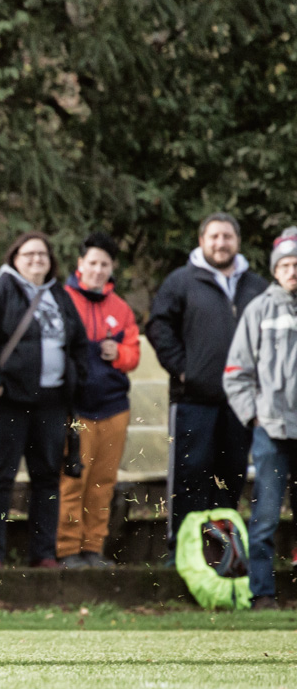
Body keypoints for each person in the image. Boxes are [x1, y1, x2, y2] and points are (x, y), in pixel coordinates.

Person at [148, 212, 270, 538]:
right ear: (202, 241)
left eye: (227, 236)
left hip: (240, 404)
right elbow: (159, 328)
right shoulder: (181, 282)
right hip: (193, 401)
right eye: (214, 236)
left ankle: (222, 557)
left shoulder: (256, 286)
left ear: (237, 242)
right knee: (190, 477)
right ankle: (183, 552)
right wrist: (184, 370)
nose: (220, 243)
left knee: (230, 478)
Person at [0, 231, 90, 568]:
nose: (36, 260)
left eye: (42, 255)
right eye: (29, 255)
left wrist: (74, 378)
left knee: (47, 479)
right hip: (8, 401)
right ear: (14, 258)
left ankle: (43, 553)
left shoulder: (59, 295)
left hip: (52, 403)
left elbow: (78, 342)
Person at [57, 233, 142, 567]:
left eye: (104, 264)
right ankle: (66, 549)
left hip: (113, 406)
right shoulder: (63, 299)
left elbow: (133, 353)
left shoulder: (120, 309)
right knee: (72, 479)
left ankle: (93, 547)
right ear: (80, 264)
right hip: (76, 407)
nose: (97, 269)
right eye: (91, 262)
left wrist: (117, 352)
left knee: (103, 482)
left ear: (111, 268)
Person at [223, 227, 297, 609]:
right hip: (270, 430)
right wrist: (254, 417)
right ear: (275, 269)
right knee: (265, 516)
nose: (292, 270)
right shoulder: (259, 310)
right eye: (285, 264)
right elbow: (236, 372)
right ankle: (262, 593)